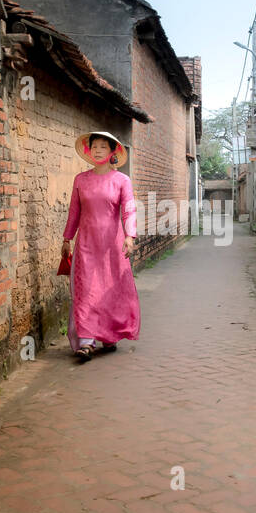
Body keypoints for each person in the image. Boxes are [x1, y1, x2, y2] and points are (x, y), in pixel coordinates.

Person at [61, 131, 141, 362]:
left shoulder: (121, 181)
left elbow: (129, 209)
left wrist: (130, 236)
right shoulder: (81, 180)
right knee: (85, 290)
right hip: (86, 244)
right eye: (94, 146)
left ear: (112, 152)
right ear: (89, 150)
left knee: (109, 290)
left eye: (103, 147)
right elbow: (74, 212)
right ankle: (86, 341)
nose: (97, 150)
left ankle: (108, 335)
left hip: (112, 246)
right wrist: (67, 239)